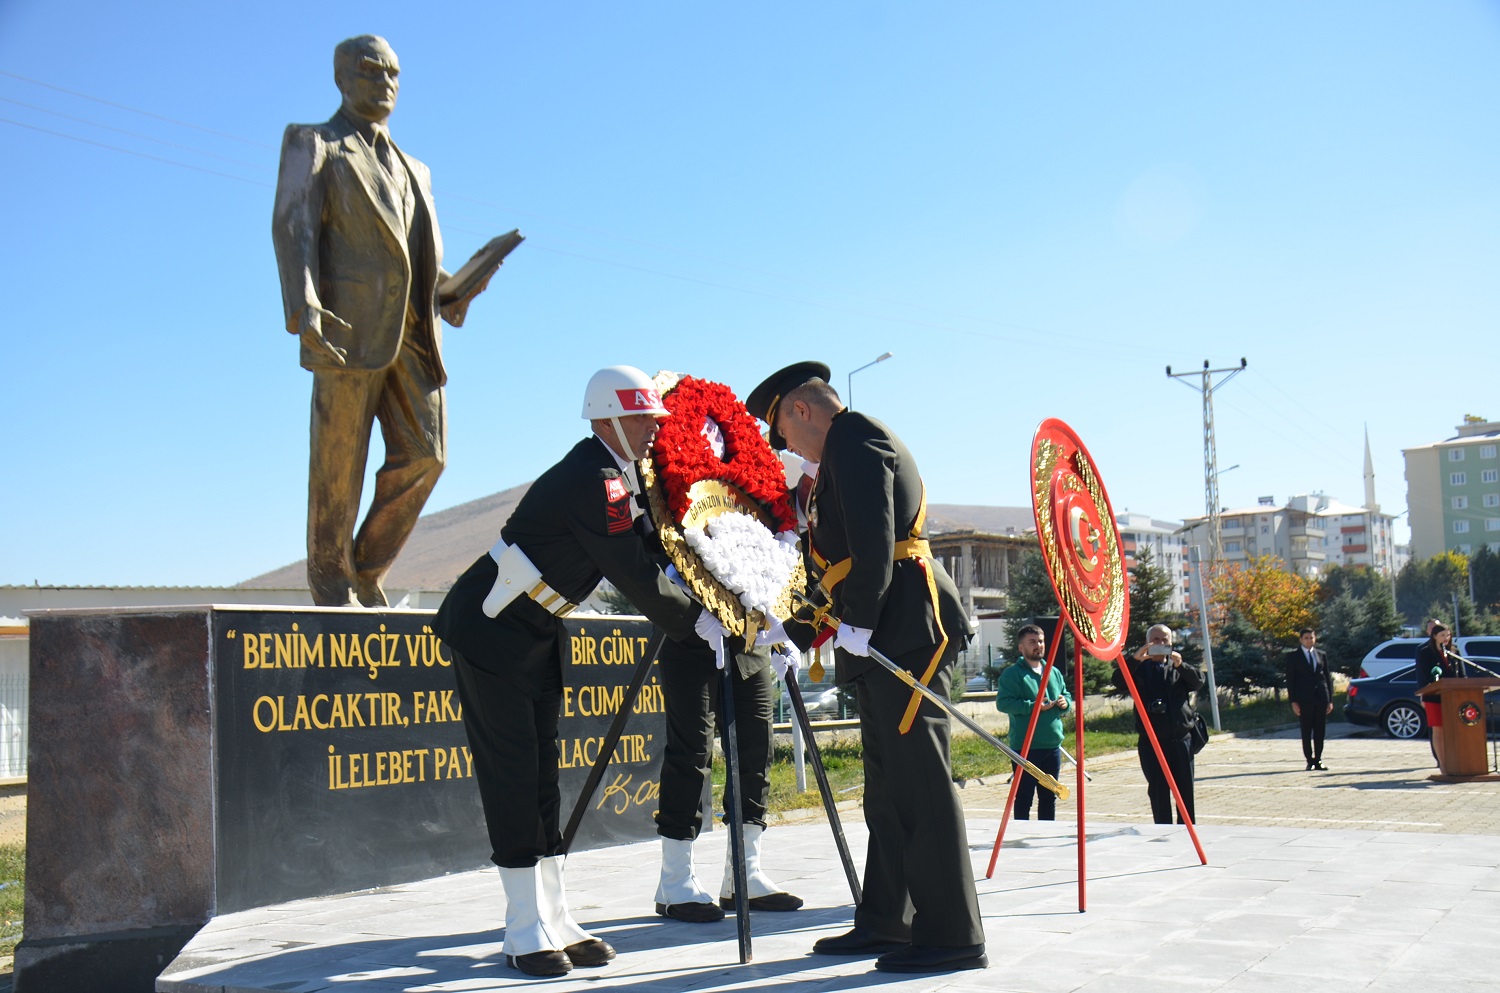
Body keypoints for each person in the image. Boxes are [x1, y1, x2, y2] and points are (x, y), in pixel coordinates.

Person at [433, 366, 713, 977]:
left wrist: (714, 594)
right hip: (493, 629)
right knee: (512, 773)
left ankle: (552, 915)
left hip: (534, 630)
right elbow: (632, 572)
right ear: (608, 418)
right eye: (642, 420)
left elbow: (652, 550)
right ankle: (520, 927)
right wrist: (692, 622)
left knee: (540, 775)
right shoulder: (595, 477)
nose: (651, 432)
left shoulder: (621, 477)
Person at [745, 362, 986, 974]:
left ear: (800, 409)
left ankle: (952, 934)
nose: (786, 447)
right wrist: (794, 630)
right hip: (883, 629)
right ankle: (890, 920)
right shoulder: (837, 462)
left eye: (782, 430)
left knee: (921, 785)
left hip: (904, 629)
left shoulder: (853, 435)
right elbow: (842, 567)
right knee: (887, 788)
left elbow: (877, 540)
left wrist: (862, 620)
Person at [273, 35, 495, 608]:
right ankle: (332, 582)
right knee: (338, 464)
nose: (385, 83)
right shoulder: (313, 142)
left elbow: (414, 257)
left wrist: (459, 286)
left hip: (415, 337)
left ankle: (366, 568)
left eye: (393, 74)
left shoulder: (415, 168)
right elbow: (293, 225)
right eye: (372, 72)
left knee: (428, 455)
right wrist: (303, 305)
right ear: (342, 79)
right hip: (345, 327)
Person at [651, 625, 804, 921]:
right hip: (692, 632)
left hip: (749, 640)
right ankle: (675, 881)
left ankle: (744, 876)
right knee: (692, 753)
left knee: (756, 751)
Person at [1116, 624, 1203, 824]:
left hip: (1181, 740)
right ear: (1148, 643)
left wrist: (1181, 665)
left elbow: (1198, 682)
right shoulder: (1139, 669)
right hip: (1152, 742)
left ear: (1171, 643)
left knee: (1185, 791)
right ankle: (1162, 828)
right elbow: (1119, 681)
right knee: (1158, 791)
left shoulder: (1177, 667)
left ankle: (1187, 830)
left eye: (1165, 640)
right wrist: (1135, 659)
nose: (1160, 644)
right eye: (1155, 640)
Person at [995, 624, 1071, 820]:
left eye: (1041, 641)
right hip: (1026, 748)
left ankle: (1045, 837)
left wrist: (1065, 703)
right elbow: (1003, 703)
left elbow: (1067, 694)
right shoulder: (1013, 674)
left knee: (1049, 796)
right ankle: (1021, 837)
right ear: (1021, 647)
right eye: (1032, 642)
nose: (1038, 646)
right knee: (1024, 798)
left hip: (1052, 745)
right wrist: (1033, 706)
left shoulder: (1053, 672)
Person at [1284, 628, 1334, 771]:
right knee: (1306, 731)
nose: (1309, 640)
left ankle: (1318, 759)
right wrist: (1293, 701)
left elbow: (1327, 678)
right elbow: (1290, 681)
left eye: (1311, 637)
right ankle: (1309, 760)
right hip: (1303, 700)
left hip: (1321, 698)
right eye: (1306, 638)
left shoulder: (1321, 655)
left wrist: (1329, 699)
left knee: (1320, 731)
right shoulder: (1294, 657)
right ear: (1301, 640)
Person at [1415, 622, 1458, 769]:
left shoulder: (1454, 651)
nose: (1446, 638)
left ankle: (1455, 762)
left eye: (1448, 635)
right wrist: (1423, 694)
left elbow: (1462, 675)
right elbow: (1423, 676)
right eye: (1442, 635)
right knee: (1438, 730)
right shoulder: (1425, 652)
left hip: (1453, 697)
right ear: (1434, 636)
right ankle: (1443, 765)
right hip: (1433, 696)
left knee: (1452, 730)